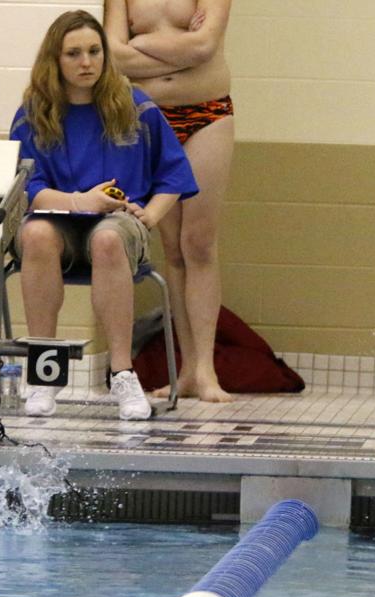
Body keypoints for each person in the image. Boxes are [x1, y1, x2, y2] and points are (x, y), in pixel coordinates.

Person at [9, 10, 199, 419]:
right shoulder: (34, 113)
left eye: (94, 51)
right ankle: (43, 374)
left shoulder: (136, 106)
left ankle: (122, 374)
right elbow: (28, 189)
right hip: (60, 218)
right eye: (74, 53)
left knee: (108, 238)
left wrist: (147, 217)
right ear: (55, 60)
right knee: (37, 235)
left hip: (118, 223)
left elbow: (175, 176)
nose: (86, 62)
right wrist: (80, 202)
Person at [106, 0, 234, 403]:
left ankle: (206, 369)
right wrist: (179, 49)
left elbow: (205, 49)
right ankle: (188, 367)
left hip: (207, 114)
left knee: (198, 244)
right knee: (172, 250)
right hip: (150, 118)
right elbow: (113, 56)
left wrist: (144, 47)